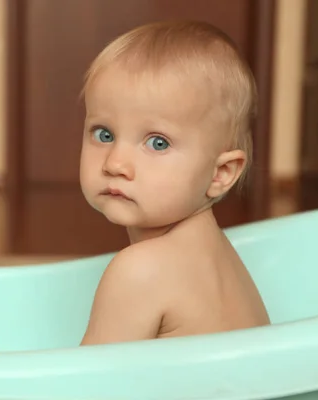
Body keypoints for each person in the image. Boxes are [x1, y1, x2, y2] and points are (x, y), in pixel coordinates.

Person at [78, 20, 270, 345]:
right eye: (105, 134)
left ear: (220, 174)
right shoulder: (219, 253)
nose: (115, 164)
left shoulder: (139, 270)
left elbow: (87, 386)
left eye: (157, 143)